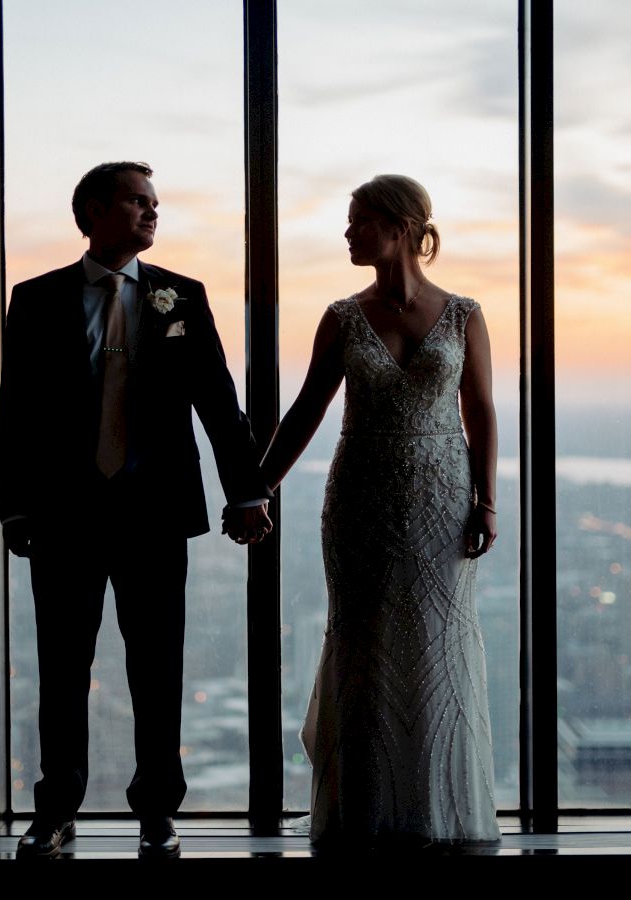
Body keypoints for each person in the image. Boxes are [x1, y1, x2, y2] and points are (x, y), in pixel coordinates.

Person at [0, 161, 272, 859]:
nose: (152, 213)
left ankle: (157, 815)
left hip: (153, 518)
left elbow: (218, 402)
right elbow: (18, 415)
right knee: (62, 669)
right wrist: (15, 509)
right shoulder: (35, 300)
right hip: (63, 519)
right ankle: (56, 811)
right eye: (136, 201)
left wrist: (246, 491)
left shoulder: (182, 297)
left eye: (155, 204)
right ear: (91, 212)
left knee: (157, 669)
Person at [260, 174, 501, 846]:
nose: (347, 233)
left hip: (441, 503)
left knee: (436, 645)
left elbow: (479, 410)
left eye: (359, 220)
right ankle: (361, 811)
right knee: (364, 644)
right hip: (359, 504)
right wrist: (260, 486)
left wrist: (486, 501)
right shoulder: (341, 317)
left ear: (399, 227)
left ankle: (434, 810)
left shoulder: (464, 313)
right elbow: (307, 409)